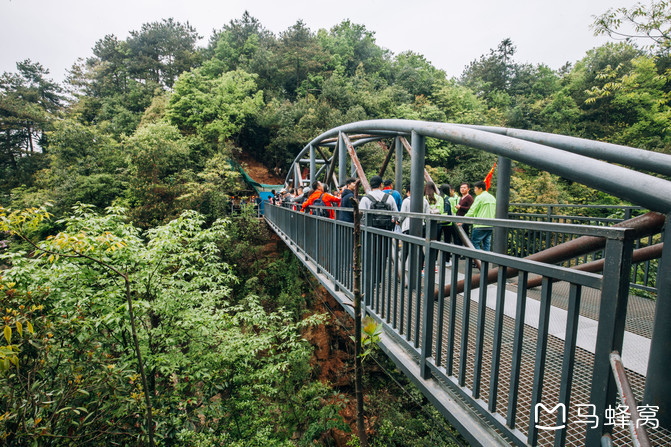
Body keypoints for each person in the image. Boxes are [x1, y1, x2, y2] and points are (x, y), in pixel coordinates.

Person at [464, 180, 497, 251]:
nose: (475, 191)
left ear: (480, 189)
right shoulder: (492, 198)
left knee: (475, 243)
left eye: (475, 189)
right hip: (490, 225)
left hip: (480, 225)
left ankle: (478, 260)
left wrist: (463, 220)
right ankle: (485, 261)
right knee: (487, 244)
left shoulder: (480, 197)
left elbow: (472, 210)